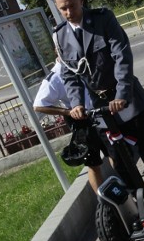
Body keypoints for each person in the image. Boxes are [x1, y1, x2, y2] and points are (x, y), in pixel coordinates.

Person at [52, 0, 144, 191]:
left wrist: (122, 94)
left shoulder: (103, 19)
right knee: (121, 162)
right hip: (102, 110)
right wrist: (77, 104)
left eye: (71, 5)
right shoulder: (60, 35)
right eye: (63, 8)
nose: (68, 12)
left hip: (127, 101)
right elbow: (69, 74)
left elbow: (121, 56)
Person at [33, 60, 108, 193]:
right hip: (83, 121)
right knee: (93, 163)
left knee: (116, 153)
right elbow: (39, 105)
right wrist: (68, 112)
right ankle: (106, 203)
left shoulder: (81, 63)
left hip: (100, 112)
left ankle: (130, 192)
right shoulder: (55, 76)